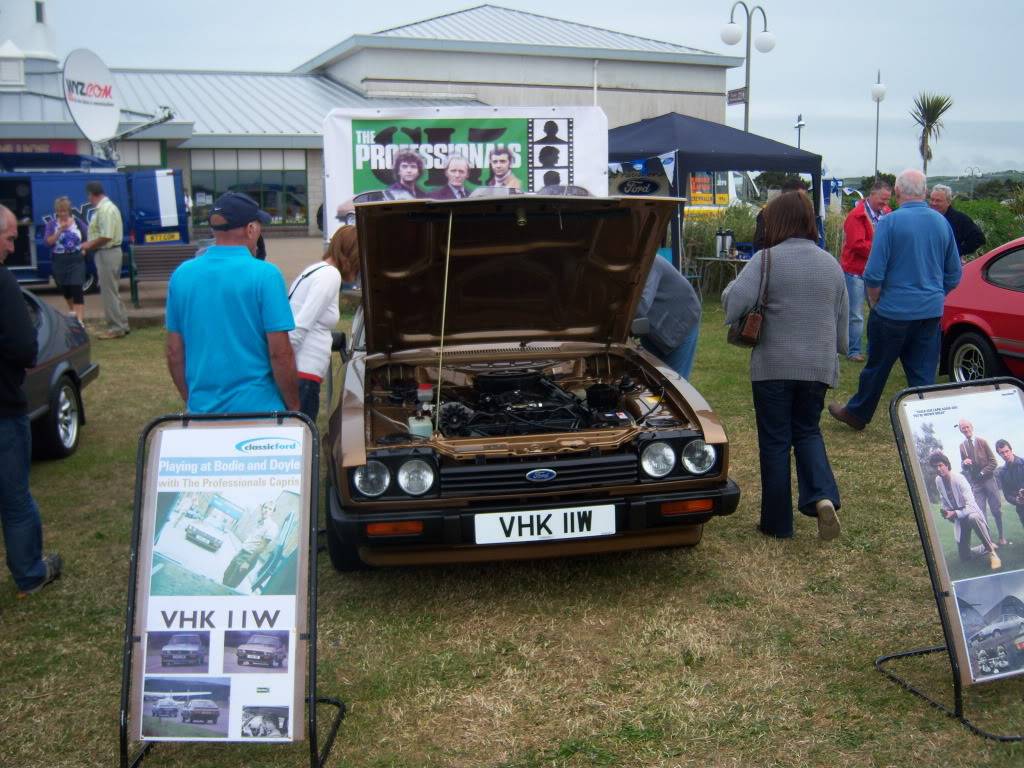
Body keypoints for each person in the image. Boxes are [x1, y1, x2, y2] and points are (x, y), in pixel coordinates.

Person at [722, 191, 848, 540]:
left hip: (774, 366)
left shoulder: (765, 260)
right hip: (818, 366)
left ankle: (777, 524)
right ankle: (822, 495)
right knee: (807, 430)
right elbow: (842, 327)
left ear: (776, 221)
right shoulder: (830, 264)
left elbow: (733, 304)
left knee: (776, 441)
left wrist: (734, 284)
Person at [828, 170, 961, 430]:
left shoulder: (890, 222)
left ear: (898, 192)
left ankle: (857, 414)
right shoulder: (941, 223)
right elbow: (954, 273)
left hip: (893, 311)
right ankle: (928, 422)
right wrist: (936, 294)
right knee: (923, 373)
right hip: (929, 312)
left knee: (876, 368)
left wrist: (876, 302)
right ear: (924, 192)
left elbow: (874, 272)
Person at [165, 192, 299, 414]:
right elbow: (280, 353)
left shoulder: (182, 274)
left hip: (202, 409)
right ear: (250, 229)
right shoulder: (266, 275)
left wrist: (191, 399)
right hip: (259, 408)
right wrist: (294, 405)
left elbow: (174, 351)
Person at [0, 204, 62, 598]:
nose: (10, 247)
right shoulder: (3, 281)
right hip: (3, 408)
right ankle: (30, 573)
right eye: (8, 238)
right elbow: (24, 345)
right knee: (15, 497)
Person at [287, 227, 348, 422]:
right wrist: (285, 365)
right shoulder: (330, 276)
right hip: (303, 372)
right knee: (303, 434)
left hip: (300, 371)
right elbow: (301, 324)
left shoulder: (315, 270)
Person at [839, 179, 892, 362]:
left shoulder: (887, 214)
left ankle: (873, 349)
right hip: (855, 271)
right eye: (882, 200)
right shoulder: (856, 216)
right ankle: (853, 350)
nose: (884, 204)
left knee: (877, 311)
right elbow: (856, 244)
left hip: (875, 272)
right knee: (856, 314)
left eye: (887, 201)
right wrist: (881, 249)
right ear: (872, 194)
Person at [929, 452, 1001, 570]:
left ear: (947, 465)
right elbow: (944, 499)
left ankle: (992, 553)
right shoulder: (938, 480)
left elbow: (972, 506)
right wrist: (947, 511)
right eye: (935, 466)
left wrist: (955, 513)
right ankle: (986, 545)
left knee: (973, 517)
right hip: (959, 518)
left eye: (940, 465)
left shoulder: (959, 479)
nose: (938, 469)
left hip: (971, 513)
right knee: (965, 556)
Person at [635, 256, 701, 380]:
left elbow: (640, 307)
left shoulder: (651, 263)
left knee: (673, 385)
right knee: (650, 379)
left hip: (682, 321)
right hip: (652, 328)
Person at [80, 181, 130, 339]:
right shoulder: (107, 208)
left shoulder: (105, 210)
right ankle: (122, 324)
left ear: (91, 194)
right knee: (112, 291)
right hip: (109, 252)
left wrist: (88, 244)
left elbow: (106, 235)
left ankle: (115, 328)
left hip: (107, 252)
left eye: (88, 195)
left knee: (108, 292)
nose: (87, 198)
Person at [958, 419, 1006, 544]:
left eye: (967, 427)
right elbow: (963, 467)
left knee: (996, 510)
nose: (966, 429)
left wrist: (982, 472)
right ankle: (988, 542)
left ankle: (1001, 537)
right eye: (963, 428)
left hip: (989, 480)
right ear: (960, 430)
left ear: (972, 427)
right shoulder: (962, 446)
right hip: (976, 484)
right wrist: (964, 463)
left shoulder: (982, 442)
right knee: (980, 513)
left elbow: (994, 462)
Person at [43, 196, 86, 323]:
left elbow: (88, 236)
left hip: (76, 259)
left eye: (65, 211)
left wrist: (85, 249)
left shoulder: (78, 222)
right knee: (65, 289)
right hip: (59, 259)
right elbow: (47, 242)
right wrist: (60, 230)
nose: (62, 214)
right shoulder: (51, 225)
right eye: (60, 211)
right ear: (56, 211)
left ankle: (80, 321)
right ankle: (72, 310)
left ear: (69, 210)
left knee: (77, 287)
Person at [222, 502, 279, 588]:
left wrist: (248, 562)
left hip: (249, 557)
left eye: (270, 509)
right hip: (241, 553)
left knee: (231, 582)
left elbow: (262, 546)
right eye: (265, 508)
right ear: (262, 509)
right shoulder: (260, 522)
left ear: (273, 512)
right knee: (226, 575)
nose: (266, 510)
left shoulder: (272, 526)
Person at [928, 184, 985, 260]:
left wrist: (955, 252)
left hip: (948, 266)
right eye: (932, 199)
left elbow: (979, 238)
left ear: (948, 202)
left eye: (938, 201)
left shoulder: (960, 219)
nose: (933, 203)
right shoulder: (927, 217)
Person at [751, 178, 808, 253]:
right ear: (786, 195)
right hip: (773, 260)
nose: (803, 202)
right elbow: (759, 244)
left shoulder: (804, 215)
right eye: (800, 198)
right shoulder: (767, 213)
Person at [995, 439, 1024, 530]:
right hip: (1021, 507)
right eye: (1002, 453)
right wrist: (1016, 500)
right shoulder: (1002, 472)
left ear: (1011, 450)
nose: (1005, 455)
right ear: (999, 454)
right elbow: (1007, 494)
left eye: (1007, 451)